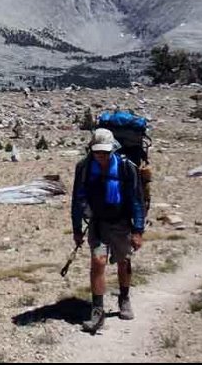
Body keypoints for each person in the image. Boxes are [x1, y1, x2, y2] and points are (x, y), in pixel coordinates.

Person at [71, 128, 145, 334]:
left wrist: (138, 230)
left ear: (113, 149)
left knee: (123, 261)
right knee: (97, 261)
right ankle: (97, 310)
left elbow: (137, 201)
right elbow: (77, 200)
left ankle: (124, 297)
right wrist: (76, 229)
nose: (101, 155)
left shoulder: (126, 168)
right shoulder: (84, 168)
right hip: (98, 223)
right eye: (97, 152)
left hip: (122, 222)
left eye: (105, 152)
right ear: (91, 150)